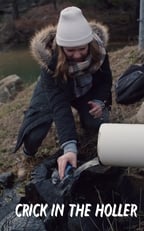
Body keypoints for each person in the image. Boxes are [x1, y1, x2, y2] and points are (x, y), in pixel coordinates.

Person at [14, 6, 112, 180]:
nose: (77, 55)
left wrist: (99, 101)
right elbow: (60, 106)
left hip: (84, 89)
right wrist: (70, 149)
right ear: (61, 48)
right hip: (53, 90)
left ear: (89, 44)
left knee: (99, 122)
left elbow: (105, 81)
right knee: (34, 135)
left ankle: (85, 121)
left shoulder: (100, 52)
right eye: (70, 50)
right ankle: (26, 155)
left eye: (82, 49)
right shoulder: (50, 63)